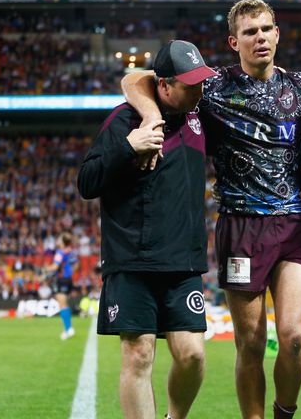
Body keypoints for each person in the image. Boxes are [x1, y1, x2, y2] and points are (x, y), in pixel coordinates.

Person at [121, 0, 301, 419]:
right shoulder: (212, 86)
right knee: (250, 343)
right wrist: (147, 117)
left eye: (266, 29)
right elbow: (136, 79)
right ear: (234, 41)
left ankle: (283, 412)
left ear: (277, 33)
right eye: (250, 32)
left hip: (290, 224)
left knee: (292, 337)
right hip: (238, 226)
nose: (260, 38)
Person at [78, 39, 217, 419]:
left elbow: (135, 79)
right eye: (191, 85)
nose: (200, 90)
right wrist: (128, 146)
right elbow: (86, 183)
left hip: (183, 262)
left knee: (192, 355)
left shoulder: (199, 115)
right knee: (138, 354)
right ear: (166, 85)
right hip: (132, 261)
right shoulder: (122, 121)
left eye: (201, 82)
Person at [47, 232, 80, 340]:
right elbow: (77, 265)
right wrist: (70, 272)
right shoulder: (71, 252)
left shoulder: (60, 252)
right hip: (68, 279)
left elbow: (55, 267)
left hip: (61, 280)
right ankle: (68, 328)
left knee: (62, 304)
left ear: (62, 242)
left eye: (59, 239)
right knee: (64, 303)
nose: (57, 241)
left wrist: (45, 269)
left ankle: (68, 329)